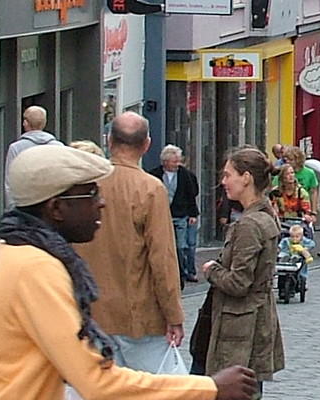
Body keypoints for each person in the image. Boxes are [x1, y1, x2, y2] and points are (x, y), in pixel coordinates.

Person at [0, 145, 257, 400]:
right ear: (55, 208)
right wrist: (208, 388)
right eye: (91, 193)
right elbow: (96, 381)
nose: (101, 203)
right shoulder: (37, 270)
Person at [68, 113, 189, 372]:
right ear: (146, 144)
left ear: (109, 140)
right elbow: (162, 259)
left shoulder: (85, 186)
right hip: (139, 314)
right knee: (165, 387)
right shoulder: (150, 189)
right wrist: (173, 315)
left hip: (92, 312)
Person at [190, 148, 287, 395]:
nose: (223, 182)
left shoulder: (250, 224)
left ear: (246, 178)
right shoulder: (265, 215)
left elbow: (239, 282)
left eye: (228, 175)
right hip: (250, 322)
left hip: (238, 328)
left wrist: (212, 270)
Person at [149, 144, 202, 283]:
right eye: (174, 161)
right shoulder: (154, 175)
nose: (177, 164)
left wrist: (192, 214)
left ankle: (183, 272)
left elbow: (192, 194)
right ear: (165, 161)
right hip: (162, 215)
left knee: (181, 246)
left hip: (181, 214)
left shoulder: (186, 175)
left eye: (178, 160)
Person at [5, 105, 62, 175]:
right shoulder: (59, 147)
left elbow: (10, 179)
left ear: (25, 123)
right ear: (44, 123)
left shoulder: (16, 148)